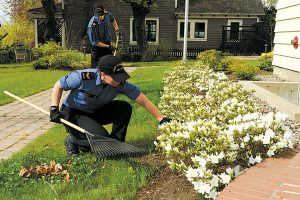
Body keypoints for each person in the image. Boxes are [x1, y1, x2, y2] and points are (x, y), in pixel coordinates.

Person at [50, 55, 171, 156]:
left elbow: (141, 98)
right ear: (103, 75)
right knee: (99, 141)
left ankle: (116, 145)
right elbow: (58, 85)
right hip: (74, 113)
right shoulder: (83, 77)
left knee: (124, 108)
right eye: (116, 78)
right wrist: (54, 108)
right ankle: (72, 141)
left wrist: (161, 118)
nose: (119, 80)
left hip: (96, 111)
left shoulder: (120, 84)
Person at [87, 3, 120, 68]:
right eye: (97, 15)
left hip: (107, 44)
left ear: (104, 11)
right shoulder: (92, 25)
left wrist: (116, 28)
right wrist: (108, 47)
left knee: (109, 68)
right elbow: (95, 42)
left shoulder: (107, 14)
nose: (99, 17)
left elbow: (112, 19)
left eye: (101, 15)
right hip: (97, 49)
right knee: (97, 70)